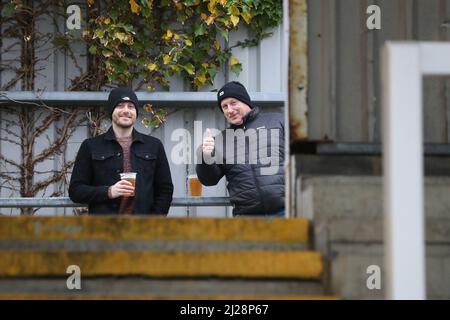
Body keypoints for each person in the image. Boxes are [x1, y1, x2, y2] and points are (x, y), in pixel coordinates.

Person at [69, 87, 173, 215]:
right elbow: (76, 191)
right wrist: (109, 191)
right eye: (120, 106)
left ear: (136, 112)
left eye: (131, 106)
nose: (126, 111)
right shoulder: (91, 146)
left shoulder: (154, 146)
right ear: (111, 110)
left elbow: (165, 190)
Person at [196, 81, 285, 216]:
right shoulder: (220, 140)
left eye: (233, 103)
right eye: (224, 106)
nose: (229, 110)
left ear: (246, 102)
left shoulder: (278, 121)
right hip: (247, 217)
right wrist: (205, 156)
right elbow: (209, 180)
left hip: (285, 212)